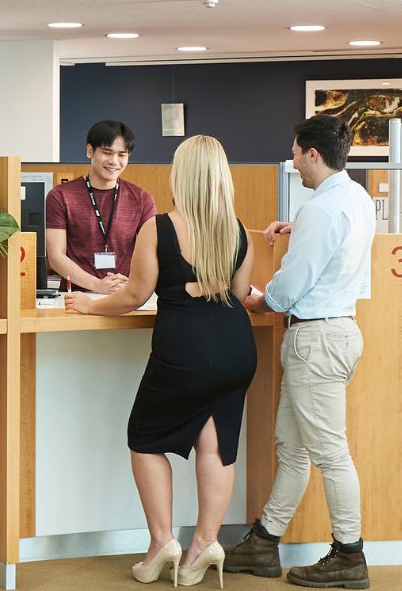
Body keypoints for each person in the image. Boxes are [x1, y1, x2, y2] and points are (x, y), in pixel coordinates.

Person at [64, 135, 260, 587]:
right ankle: (204, 546)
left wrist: (90, 304)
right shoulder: (238, 229)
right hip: (235, 347)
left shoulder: (160, 227)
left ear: (182, 174)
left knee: (146, 438)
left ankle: (162, 543)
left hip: (184, 350)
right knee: (217, 446)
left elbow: (134, 295)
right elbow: (239, 293)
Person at [228, 114, 375, 588]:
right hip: (336, 332)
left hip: (316, 338)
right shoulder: (356, 197)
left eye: (295, 153)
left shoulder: (321, 208)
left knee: (330, 453)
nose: (293, 161)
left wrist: (260, 299)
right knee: (292, 448)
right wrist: (300, 230)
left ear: (313, 154)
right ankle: (264, 542)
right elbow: (331, 249)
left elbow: (290, 287)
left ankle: (350, 554)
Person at [45, 120, 157, 294]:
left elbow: (152, 253)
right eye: (107, 153)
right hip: (76, 295)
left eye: (122, 155)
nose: (114, 161)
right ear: (90, 151)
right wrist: (97, 285)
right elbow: (55, 256)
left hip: (124, 295)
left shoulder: (141, 198)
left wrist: (133, 286)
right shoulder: (60, 196)